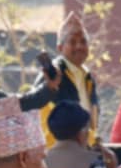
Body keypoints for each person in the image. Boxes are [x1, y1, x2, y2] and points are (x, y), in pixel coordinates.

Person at [40, 11, 100, 145]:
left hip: (84, 149)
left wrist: (97, 145)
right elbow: (48, 125)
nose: (79, 46)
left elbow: (92, 125)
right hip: (59, 150)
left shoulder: (88, 77)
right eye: (72, 42)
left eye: (83, 41)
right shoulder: (53, 76)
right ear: (60, 48)